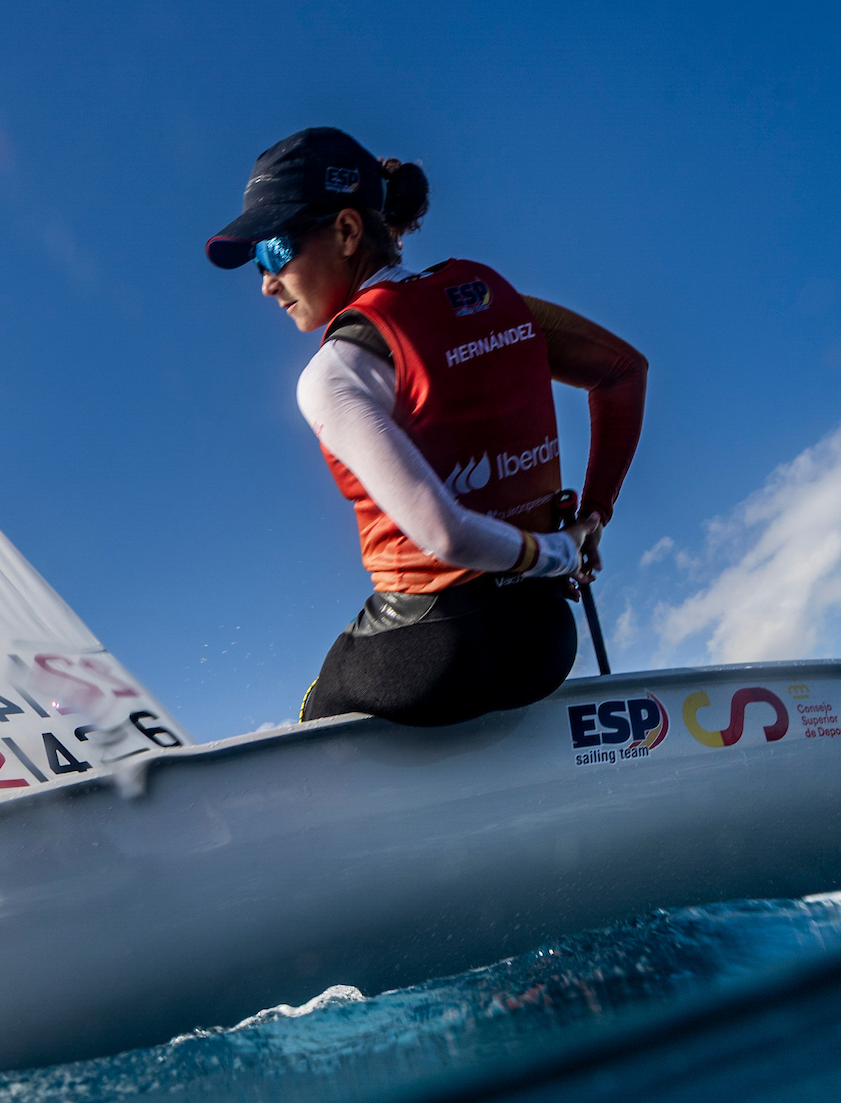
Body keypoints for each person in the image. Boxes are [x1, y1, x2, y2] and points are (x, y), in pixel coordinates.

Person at [206, 127, 647, 727]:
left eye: (275, 250)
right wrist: (592, 517)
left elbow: (445, 535)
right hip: (544, 639)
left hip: (431, 657)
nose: (265, 281)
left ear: (347, 231)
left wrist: (558, 553)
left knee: (319, 704)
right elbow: (623, 372)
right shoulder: (497, 300)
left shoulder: (333, 372)